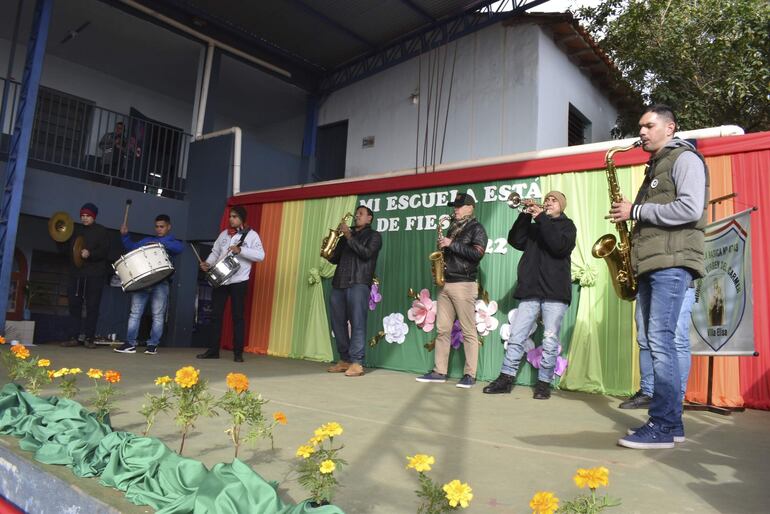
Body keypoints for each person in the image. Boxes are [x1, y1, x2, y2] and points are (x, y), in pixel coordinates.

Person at [611, 104, 708, 449]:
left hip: (671, 263)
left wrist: (636, 210)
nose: (641, 132)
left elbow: (690, 208)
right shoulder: (656, 166)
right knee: (657, 341)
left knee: (662, 342)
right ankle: (674, 424)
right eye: (640, 127)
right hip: (654, 263)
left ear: (670, 128)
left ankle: (663, 425)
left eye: (649, 126)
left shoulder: (685, 159)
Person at [483, 191, 576, 399]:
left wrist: (541, 217)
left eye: (554, 200)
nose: (548, 202)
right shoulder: (536, 227)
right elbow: (516, 240)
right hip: (531, 290)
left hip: (555, 292)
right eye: (547, 199)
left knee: (550, 340)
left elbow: (558, 247)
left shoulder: (567, 227)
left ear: (562, 206)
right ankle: (506, 378)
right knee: (517, 336)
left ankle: (544, 383)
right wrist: (525, 215)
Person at [416, 193, 488, 388]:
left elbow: (477, 254)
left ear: (470, 207)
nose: (455, 209)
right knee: (442, 330)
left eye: (459, 206)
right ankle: (439, 371)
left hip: (464, 284)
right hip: (445, 283)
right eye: (454, 206)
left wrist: (451, 244)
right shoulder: (452, 228)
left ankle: (469, 375)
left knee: (468, 330)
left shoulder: (477, 228)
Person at [196, 206, 265, 362]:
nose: (231, 219)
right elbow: (215, 252)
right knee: (215, 315)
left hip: (239, 281)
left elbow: (261, 256)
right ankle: (213, 350)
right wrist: (207, 263)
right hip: (221, 279)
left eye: (234, 216)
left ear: (242, 218)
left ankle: (238, 353)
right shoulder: (224, 234)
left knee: (237, 316)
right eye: (230, 216)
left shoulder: (252, 236)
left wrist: (241, 250)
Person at [324, 206, 382, 377]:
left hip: (359, 283)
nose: (357, 215)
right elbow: (336, 259)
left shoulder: (374, 236)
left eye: (361, 213)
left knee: (357, 323)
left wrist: (348, 235)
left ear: (369, 218)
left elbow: (366, 254)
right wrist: (328, 251)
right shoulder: (345, 238)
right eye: (357, 213)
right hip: (339, 284)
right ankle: (344, 360)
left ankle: (357, 363)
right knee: (337, 323)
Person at [114, 214, 184, 355]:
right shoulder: (147, 240)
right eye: (157, 226)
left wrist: (161, 244)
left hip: (161, 281)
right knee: (135, 313)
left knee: (157, 315)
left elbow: (179, 248)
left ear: (168, 227)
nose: (159, 229)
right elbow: (131, 248)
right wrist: (125, 236)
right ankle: (130, 344)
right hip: (144, 281)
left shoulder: (171, 241)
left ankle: (152, 345)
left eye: (162, 227)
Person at [619, 285, 696, 411]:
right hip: (646, 281)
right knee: (644, 339)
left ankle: (676, 399)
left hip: (680, 280)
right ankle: (647, 393)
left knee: (678, 340)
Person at [60, 203, 110, 349]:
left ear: (93, 216)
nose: (84, 218)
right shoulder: (75, 230)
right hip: (76, 274)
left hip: (95, 275)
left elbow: (105, 251)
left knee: (92, 307)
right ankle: (73, 337)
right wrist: (59, 239)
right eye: (82, 215)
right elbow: (66, 251)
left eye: (88, 216)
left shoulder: (102, 231)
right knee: (74, 306)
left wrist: (91, 254)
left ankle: (89, 338)